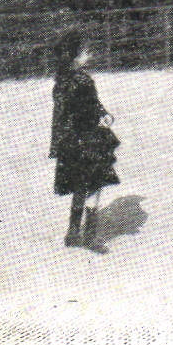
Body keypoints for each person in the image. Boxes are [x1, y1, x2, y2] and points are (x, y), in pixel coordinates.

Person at [48, 29, 120, 253]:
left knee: (80, 186)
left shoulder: (62, 81)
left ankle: (72, 233)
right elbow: (86, 107)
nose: (90, 55)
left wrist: (102, 113)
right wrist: (99, 117)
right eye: (86, 52)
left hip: (71, 141)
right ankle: (89, 236)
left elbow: (63, 115)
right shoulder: (82, 80)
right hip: (87, 140)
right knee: (95, 185)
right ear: (74, 56)